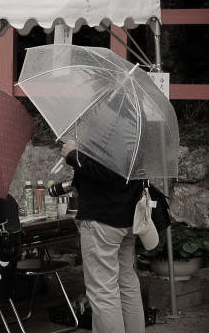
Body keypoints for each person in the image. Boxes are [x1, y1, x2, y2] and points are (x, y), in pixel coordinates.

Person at [62, 139, 145, 333]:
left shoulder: (108, 123)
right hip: (127, 215)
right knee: (126, 282)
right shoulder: (137, 122)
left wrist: (74, 155)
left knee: (103, 290)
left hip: (103, 219)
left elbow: (107, 171)